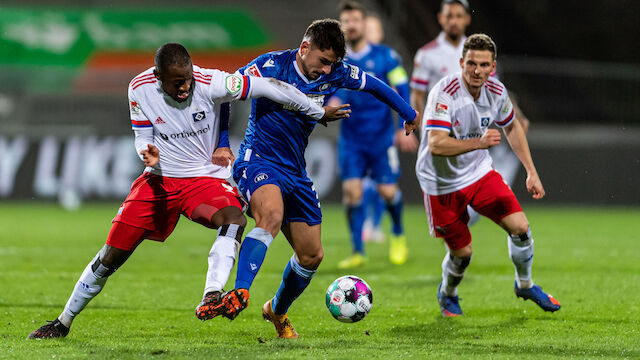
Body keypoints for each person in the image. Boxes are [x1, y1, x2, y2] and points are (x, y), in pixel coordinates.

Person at [27, 43, 345, 339]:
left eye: (187, 80)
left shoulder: (212, 82)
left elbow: (269, 87)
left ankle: (212, 295)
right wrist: (146, 152)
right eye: (176, 82)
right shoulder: (138, 88)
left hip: (204, 181)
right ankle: (63, 321)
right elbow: (141, 134)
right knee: (110, 258)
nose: (184, 87)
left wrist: (315, 112)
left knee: (234, 219)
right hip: (159, 180)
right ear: (157, 77)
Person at [220, 19, 418, 338]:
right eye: (323, 61)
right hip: (258, 159)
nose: (327, 71)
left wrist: (408, 113)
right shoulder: (269, 66)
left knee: (312, 255)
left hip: (295, 169)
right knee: (270, 216)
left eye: (333, 64)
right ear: (305, 48)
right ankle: (240, 291)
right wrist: (220, 143)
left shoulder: (336, 72)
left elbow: (375, 85)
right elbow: (225, 92)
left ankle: (277, 310)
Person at [416, 34, 561, 317]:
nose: (477, 71)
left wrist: (531, 172)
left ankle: (525, 284)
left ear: (492, 66)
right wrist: (479, 143)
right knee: (463, 254)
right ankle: (448, 292)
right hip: (440, 184)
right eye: (471, 63)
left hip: (479, 173)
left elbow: (513, 127)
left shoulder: (496, 90)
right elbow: (436, 144)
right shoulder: (443, 93)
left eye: (484, 65)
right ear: (461, 62)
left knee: (520, 228)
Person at [410, 0, 530, 226]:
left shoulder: (479, 50)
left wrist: (519, 116)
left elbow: (498, 89)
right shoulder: (426, 55)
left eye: (458, 15)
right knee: (451, 211)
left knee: (478, 195)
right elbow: (417, 95)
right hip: (444, 130)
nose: (453, 21)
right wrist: (420, 127)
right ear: (441, 19)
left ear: (467, 19)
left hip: (473, 129)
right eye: (449, 16)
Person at [330, 1, 417, 268]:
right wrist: (330, 104)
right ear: (341, 26)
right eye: (346, 21)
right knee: (352, 192)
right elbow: (333, 92)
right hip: (352, 139)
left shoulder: (386, 57)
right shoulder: (336, 61)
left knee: (388, 192)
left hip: (381, 137)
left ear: (363, 24)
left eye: (355, 20)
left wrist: (406, 123)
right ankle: (358, 251)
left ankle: (398, 235)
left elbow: (402, 86)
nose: (351, 25)